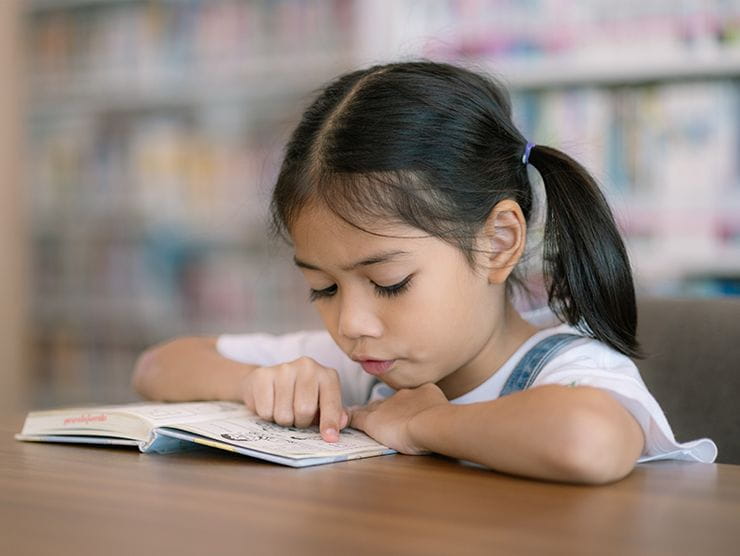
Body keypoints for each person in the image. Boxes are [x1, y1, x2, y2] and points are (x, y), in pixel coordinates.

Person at [132, 61, 716, 484]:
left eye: (389, 283)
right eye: (323, 288)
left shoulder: (569, 368)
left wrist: (422, 425)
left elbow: (589, 440)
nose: (352, 324)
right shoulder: (367, 363)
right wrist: (256, 384)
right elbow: (160, 366)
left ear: (497, 243)